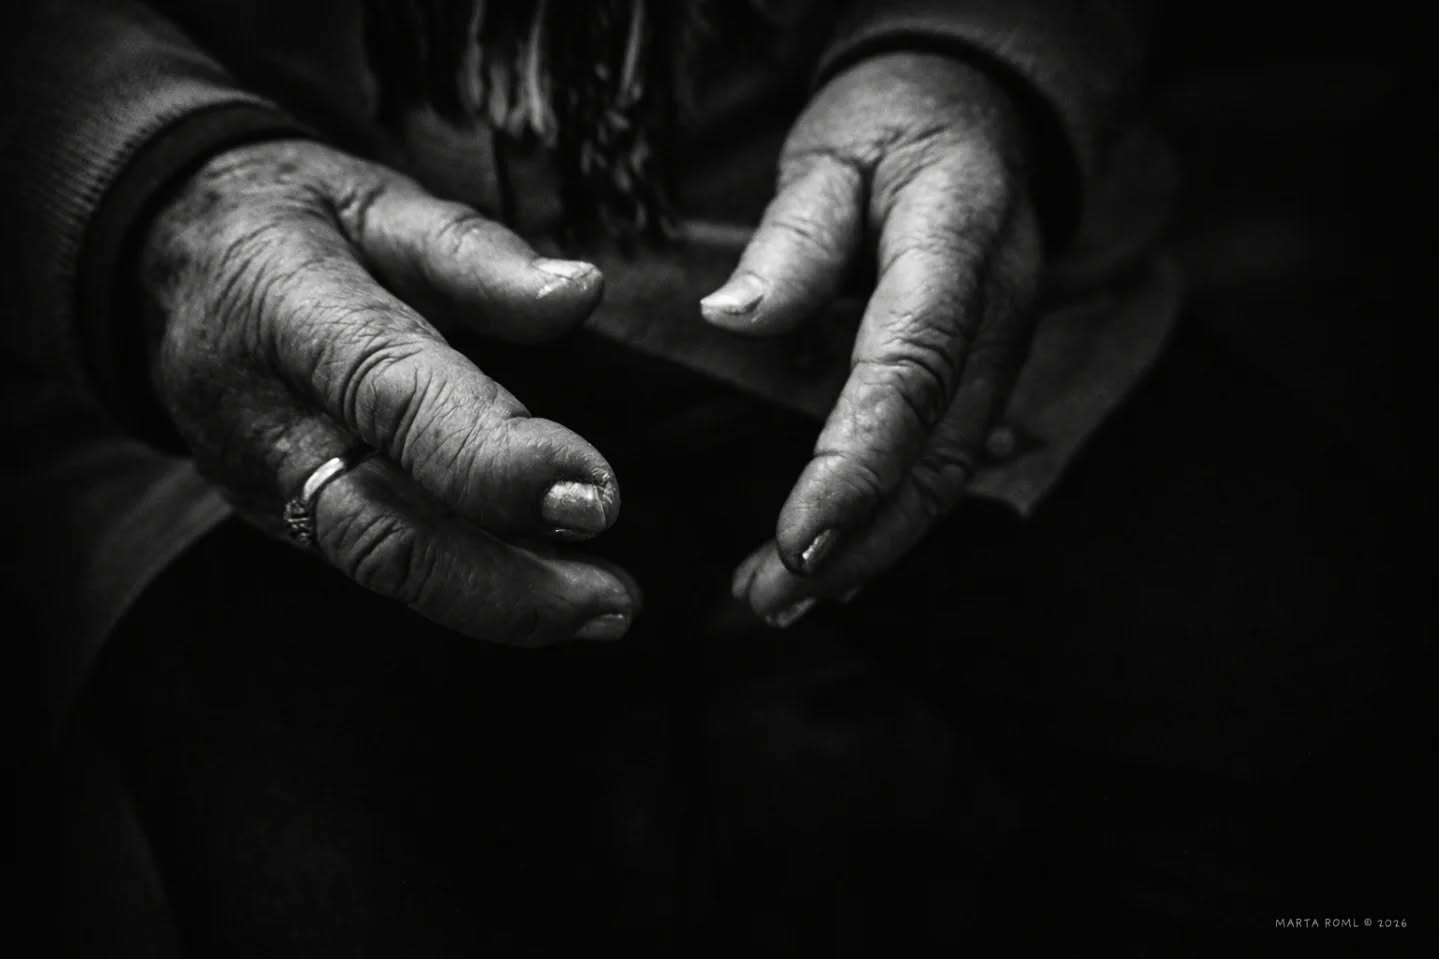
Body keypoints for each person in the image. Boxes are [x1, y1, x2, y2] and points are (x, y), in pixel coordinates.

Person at [4, 1, 1423, 955]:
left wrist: (970, 60)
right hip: (221, 277)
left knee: (1334, 721)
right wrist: (140, 198)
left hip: (844, 221)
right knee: (325, 896)